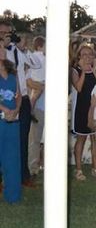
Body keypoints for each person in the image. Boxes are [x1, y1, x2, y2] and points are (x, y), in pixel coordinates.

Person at [2, 21, 43, 187]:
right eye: (2, 32)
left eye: (7, 33)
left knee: (22, 139)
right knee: (3, 139)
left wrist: (23, 48)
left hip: (23, 99)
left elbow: (36, 64)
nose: (5, 35)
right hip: (4, 99)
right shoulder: (3, 52)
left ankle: (23, 176)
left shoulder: (17, 50)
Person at [70, 43, 96, 181]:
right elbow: (79, 87)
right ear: (79, 56)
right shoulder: (74, 70)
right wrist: (84, 72)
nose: (87, 57)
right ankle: (79, 170)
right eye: (84, 55)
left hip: (95, 109)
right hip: (81, 109)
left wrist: (95, 70)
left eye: (90, 55)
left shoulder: (95, 69)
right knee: (81, 138)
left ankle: (95, 168)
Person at [0, 56, 21, 203]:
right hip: (2, 116)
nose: (2, 50)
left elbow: (19, 94)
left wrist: (16, 110)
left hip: (12, 120)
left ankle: (12, 195)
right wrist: (4, 109)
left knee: (12, 158)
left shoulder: (13, 72)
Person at [27, 36, 46, 176]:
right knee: (35, 139)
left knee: (39, 139)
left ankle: (40, 165)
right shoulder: (38, 59)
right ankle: (33, 167)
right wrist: (41, 86)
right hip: (39, 106)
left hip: (47, 106)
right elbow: (27, 80)